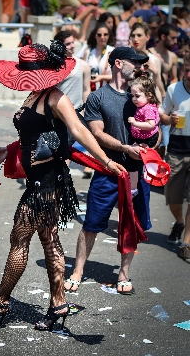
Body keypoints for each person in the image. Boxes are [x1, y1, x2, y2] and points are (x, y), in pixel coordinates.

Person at [0, 41, 124, 329]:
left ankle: (0, 304)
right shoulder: (36, 94)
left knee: (19, 239)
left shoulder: (56, 98)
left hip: (47, 184)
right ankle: (58, 304)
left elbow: (79, 130)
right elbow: (35, 134)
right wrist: (10, 148)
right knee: (49, 240)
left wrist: (105, 161)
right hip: (40, 181)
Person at [64, 47, 152, 295]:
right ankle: (78, 270)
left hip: (136, 170)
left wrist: (150, 143)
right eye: (135, 62)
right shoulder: (98, 97)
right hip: (107, 169)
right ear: (118, 63)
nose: (139, 67)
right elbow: (96, 134)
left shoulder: (141, 94)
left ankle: (124, 273)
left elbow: (154, 126)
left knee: (132, 225)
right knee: (91, 223)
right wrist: (125, 147)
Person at [160, 54, 190, 262]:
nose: (188, 74)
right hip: (177, 149)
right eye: (186, 69)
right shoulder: (173, 89)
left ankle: (186, 243)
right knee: (172, 195)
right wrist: (170, 119)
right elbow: (161, 114)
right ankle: (179, 221)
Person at [128, 70, 160, 196]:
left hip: (147, 138)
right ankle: (135, 185)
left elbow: (150, 125)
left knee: (134, 164)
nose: (134, 99)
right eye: (132, 96)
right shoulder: (144, 106)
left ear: (149, 95)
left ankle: (133, 188)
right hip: (142, 138)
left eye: (137, 96)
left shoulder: (147, 109)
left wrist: (135, 123)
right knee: (136, 163)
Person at [149, 23, 178, 158]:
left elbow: (175, 78)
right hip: (151, 99)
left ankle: (158, 167)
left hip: (166, 99)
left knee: (163, 140)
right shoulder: (150, 54)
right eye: (173, 38)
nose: (175, 41)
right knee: (151, 136)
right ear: (163, 36)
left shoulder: (172, 56)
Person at [54, 31, 91, 108]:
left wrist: (86, 111)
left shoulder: (83, 65)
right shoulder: (54, 66)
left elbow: (86, 90)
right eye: (68, 44)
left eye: (73, 42)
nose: (72, 46)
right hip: (57, 113)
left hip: (78, 111)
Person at [129, 22, 165, 98]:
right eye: (133, 35)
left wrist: (155, 74)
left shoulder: (154, 60)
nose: (135, 39)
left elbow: (161, 92)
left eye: (139, 35)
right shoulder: (127, 59)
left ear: (147, 37)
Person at [83, 23, 114, 90]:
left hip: (107, 91)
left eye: (105, 34)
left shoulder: (112, 51)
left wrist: (101, 77)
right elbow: (82, 73)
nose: (102, 37)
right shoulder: (88, 52)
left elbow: (117, 76)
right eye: (99, 35)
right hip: (90, 91)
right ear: (95, 36)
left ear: (109, 35)